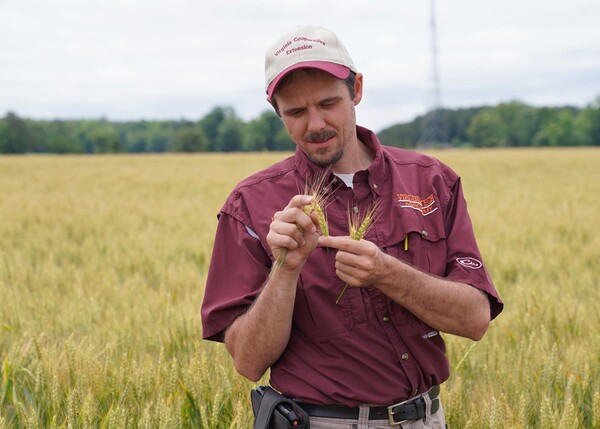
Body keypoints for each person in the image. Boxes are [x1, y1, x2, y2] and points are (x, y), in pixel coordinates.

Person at [201, 25, 503, 428]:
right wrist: (286, 269)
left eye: (328, 103)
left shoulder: (431, 181)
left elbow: (475, 319)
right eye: (295, 112)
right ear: (276, 111)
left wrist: (386, 273)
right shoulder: (249, 205)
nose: (315, 125)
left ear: (356, 89)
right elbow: (249, 361)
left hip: (428, 418)